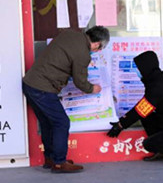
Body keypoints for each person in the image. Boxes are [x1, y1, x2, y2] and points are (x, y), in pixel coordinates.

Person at [23, 26, 110, 173]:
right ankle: (59, 163)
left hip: (30, 83)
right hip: (43, 88)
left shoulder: (69, 34)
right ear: (97, 44)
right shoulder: (83, 53)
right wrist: (93, 88)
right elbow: (80, 82)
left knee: (47, 122)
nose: (98, 51)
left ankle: (51, 158)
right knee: (61, 122)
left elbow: (63, 58)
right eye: (100, 48)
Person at [106, 50, 163, 162]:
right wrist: (122, 122)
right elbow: (143, 108)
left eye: (138, 68)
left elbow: (141, 108)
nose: (136, 71)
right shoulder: (156, 79)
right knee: (146, 116)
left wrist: (120, 125)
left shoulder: (158, 85)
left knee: (148, 144)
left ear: (145, 67)